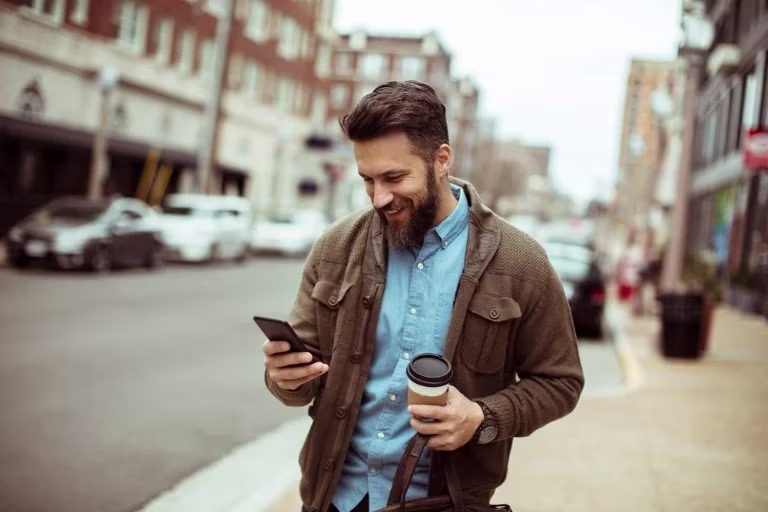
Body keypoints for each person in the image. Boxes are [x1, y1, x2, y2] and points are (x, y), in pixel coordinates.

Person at [263, 81, 584, 512]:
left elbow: (561, 382)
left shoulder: (521, 262)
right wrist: (284, 378)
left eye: (395, 178)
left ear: (441, 160)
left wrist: (481, 418)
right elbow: (299, 382)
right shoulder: (335, 247)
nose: (380, 197)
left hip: (444, 502)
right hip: (334, 499)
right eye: (367, 180)